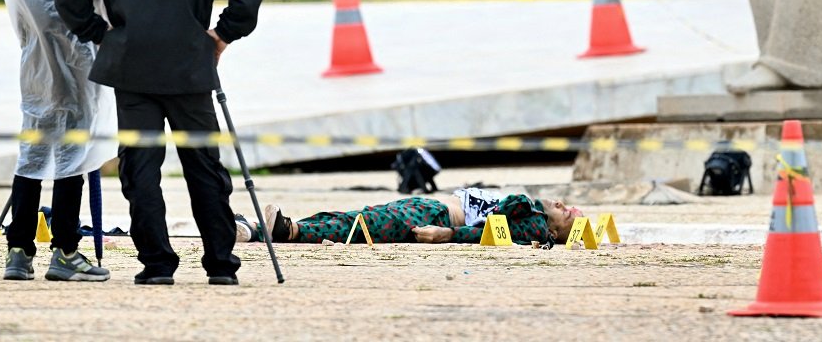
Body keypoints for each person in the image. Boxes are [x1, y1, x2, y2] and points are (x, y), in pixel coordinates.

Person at [55, 0, 264, 286]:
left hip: (132, 71)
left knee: (142, 169)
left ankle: (157, 264)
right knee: (204, 167)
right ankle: (221, 265)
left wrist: (99, 33)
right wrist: (222, 35)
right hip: (191, 70)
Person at [0, 0, 112, 282]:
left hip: (33, 56)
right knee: (72, 153)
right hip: (79, 54)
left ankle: (18, 251)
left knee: (32, 147)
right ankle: (65, 250)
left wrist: (33, 40)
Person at [242, 188, 583, 246]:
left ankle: (290, 231)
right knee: (358, 219)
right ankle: (257, 230)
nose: (562, 204)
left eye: (567, 213)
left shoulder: (533, 222)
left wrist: (446, 235)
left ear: (556, 231)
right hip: (429, 206)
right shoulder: (534, 217)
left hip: (436, 216)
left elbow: (490, 232)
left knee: (361, 226)